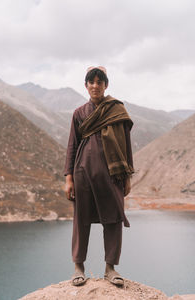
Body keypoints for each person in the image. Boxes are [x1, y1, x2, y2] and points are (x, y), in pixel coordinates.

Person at [64, 66, 134, 287]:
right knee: (81, 220)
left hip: (112, 175)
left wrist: (127, 176)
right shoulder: (79, 113)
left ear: (106, 85)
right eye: (91, 82)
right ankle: (78, 267)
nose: (95, 86)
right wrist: (68, 178)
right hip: (82, 173)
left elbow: (126, 146)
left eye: (99, 82)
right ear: (86, 86)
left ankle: (110, 268)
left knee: (113, 218)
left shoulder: (117, 111)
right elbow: (72, 146)